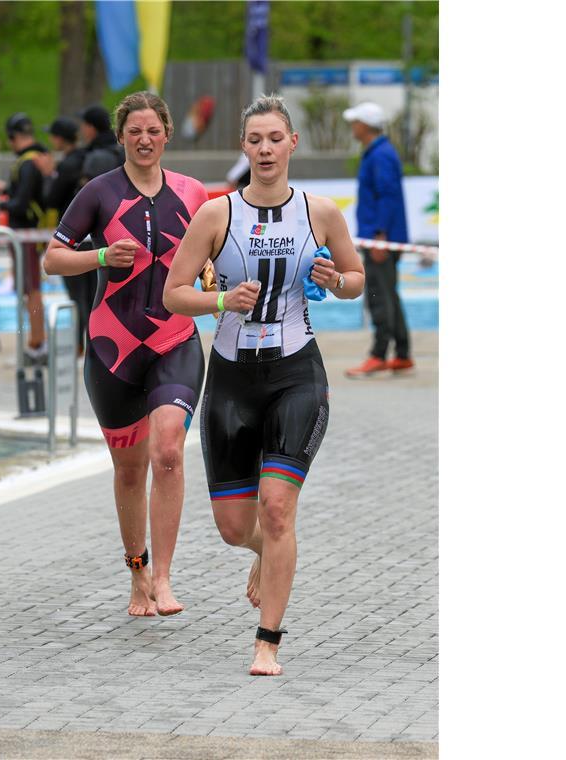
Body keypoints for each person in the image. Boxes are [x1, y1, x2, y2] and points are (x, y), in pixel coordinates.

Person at [163, 94, 365, 676]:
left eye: (275, 138)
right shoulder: (216, 214)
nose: (265, 149)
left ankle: (267, 641)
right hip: (231, 376)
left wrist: (337, 279)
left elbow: (355, 278)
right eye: (255, 140)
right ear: (243, 146)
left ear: (292, 143)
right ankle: (265, 554)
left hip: (296, 372)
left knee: (277, 510)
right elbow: (176, 294)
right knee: (235, 528)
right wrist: (221, 299)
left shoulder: (320, 212)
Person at [42, 92, 210, 618]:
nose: (143, 139)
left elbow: (212, 256)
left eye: (153, 130)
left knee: (169, 451)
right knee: (131, 469)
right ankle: (137, 571)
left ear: (166, 134)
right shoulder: (98, 192)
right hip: (111, 350)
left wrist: (213, 277)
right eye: (133, 131)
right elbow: (52, 259)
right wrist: (97, 256)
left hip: (174, 341)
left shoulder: (193, 192)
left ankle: (163, 578)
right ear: (120, 137)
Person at [342, 102, 414, 376]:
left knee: (380, 297)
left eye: (355, 122)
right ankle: (403, 354)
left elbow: (388, 197)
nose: (353, 127)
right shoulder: (379, 152)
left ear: (365, 125)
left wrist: (380, 236)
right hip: (381, 236)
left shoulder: (380, 155)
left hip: (380, 239)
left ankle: (379, 354)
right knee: (389, 295)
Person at [33, 116, 96, 355]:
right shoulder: (85, 158)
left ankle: (81, 346)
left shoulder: (69, 165)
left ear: (59, 138)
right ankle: (91, 344)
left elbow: (51, 199)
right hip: (92, 237)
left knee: (77, 295)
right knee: (92, 295)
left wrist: (49, 175)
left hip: (74, 238)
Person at [0, 113, 50, 360]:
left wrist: (2, 205)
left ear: (12, 136)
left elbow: (21, 203)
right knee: (30, 288)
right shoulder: (31, 160)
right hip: (27, 234)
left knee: (32, 289)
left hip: (26, 235)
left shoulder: (28, 163)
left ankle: (37, 342)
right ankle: (36, 340)